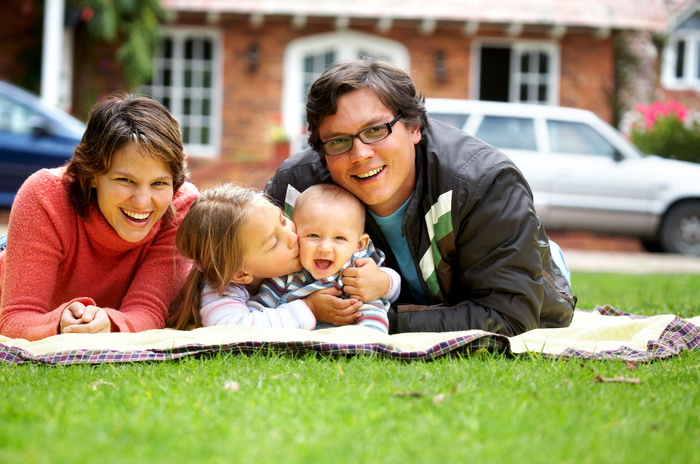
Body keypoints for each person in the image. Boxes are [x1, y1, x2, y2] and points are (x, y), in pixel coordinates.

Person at [265, 58, 576, 336]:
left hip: (530, 276)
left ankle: (550, 254)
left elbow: (509, 316)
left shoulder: (485, 184)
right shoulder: (297, 187)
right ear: (321, 150)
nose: (359, 154)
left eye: (375, 130)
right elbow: (236, 272)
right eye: (338, 141)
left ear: (414, 126)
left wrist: (371, 320)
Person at [0, 94, 199, 341]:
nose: (142, 201)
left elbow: (148, 311)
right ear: (92, 174)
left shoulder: (180, 205)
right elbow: (15, 318)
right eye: (125, 180)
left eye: (159, 183)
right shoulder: (44, 196)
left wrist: (111, 325)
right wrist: (61, 323)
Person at [167, 183, 376, 330]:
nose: (293, 236)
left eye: (283, 221)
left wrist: (380, 282)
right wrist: (310, 308)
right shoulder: (219, 288)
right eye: (274, 241)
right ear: (241, 274)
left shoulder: (304, 257)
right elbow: (233, 330)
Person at [249, 183, 400, 333]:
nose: (325, 248)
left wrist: (383, 283)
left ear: (359, 244)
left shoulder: (360, 264)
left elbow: (391, 283)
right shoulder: (287, 275)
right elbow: (256, 312)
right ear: (296, 235)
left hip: (362, 330)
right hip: (307, 343)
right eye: (313, 236)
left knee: (371, 311)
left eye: (339, 238)